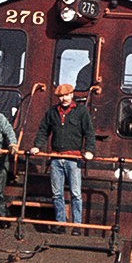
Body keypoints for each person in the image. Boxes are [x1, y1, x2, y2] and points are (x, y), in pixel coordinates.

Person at [30, 83, 95, 227]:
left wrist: (89, 151)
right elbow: (43, 130)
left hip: (73, 159)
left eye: (66, 95)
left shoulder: (82, 111)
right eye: (60, 96)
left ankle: (76, 226)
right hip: (56, 159)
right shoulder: (52, 112)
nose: (64, 98)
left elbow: (89, 133)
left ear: (72, 95)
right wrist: (37, 146)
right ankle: (60, 224)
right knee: (57, 194)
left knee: (76, 194)